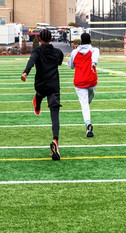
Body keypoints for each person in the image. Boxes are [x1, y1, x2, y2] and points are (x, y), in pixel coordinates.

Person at [21, 29, 64, 161]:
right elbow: (59, 62)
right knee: (55, 115)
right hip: (53, 86)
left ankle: (37, 105)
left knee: (39, 94)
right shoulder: (58, 52)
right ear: (51, 39)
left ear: (39, 40)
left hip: (40, 84)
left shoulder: (37, 51)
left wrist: (25, 73)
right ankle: (55, 140)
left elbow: (31, 62)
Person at [68, 32, 100, 138]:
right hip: (91, 80)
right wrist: (93, 64)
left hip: (80, 81)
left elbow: (71, 66)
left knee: (85, 103)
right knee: (87, 102)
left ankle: (88, 122)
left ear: (81, 41)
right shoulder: (95, 50)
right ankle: (88, 123)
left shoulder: (75, 52)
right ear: (90, 40)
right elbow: (95, 59)